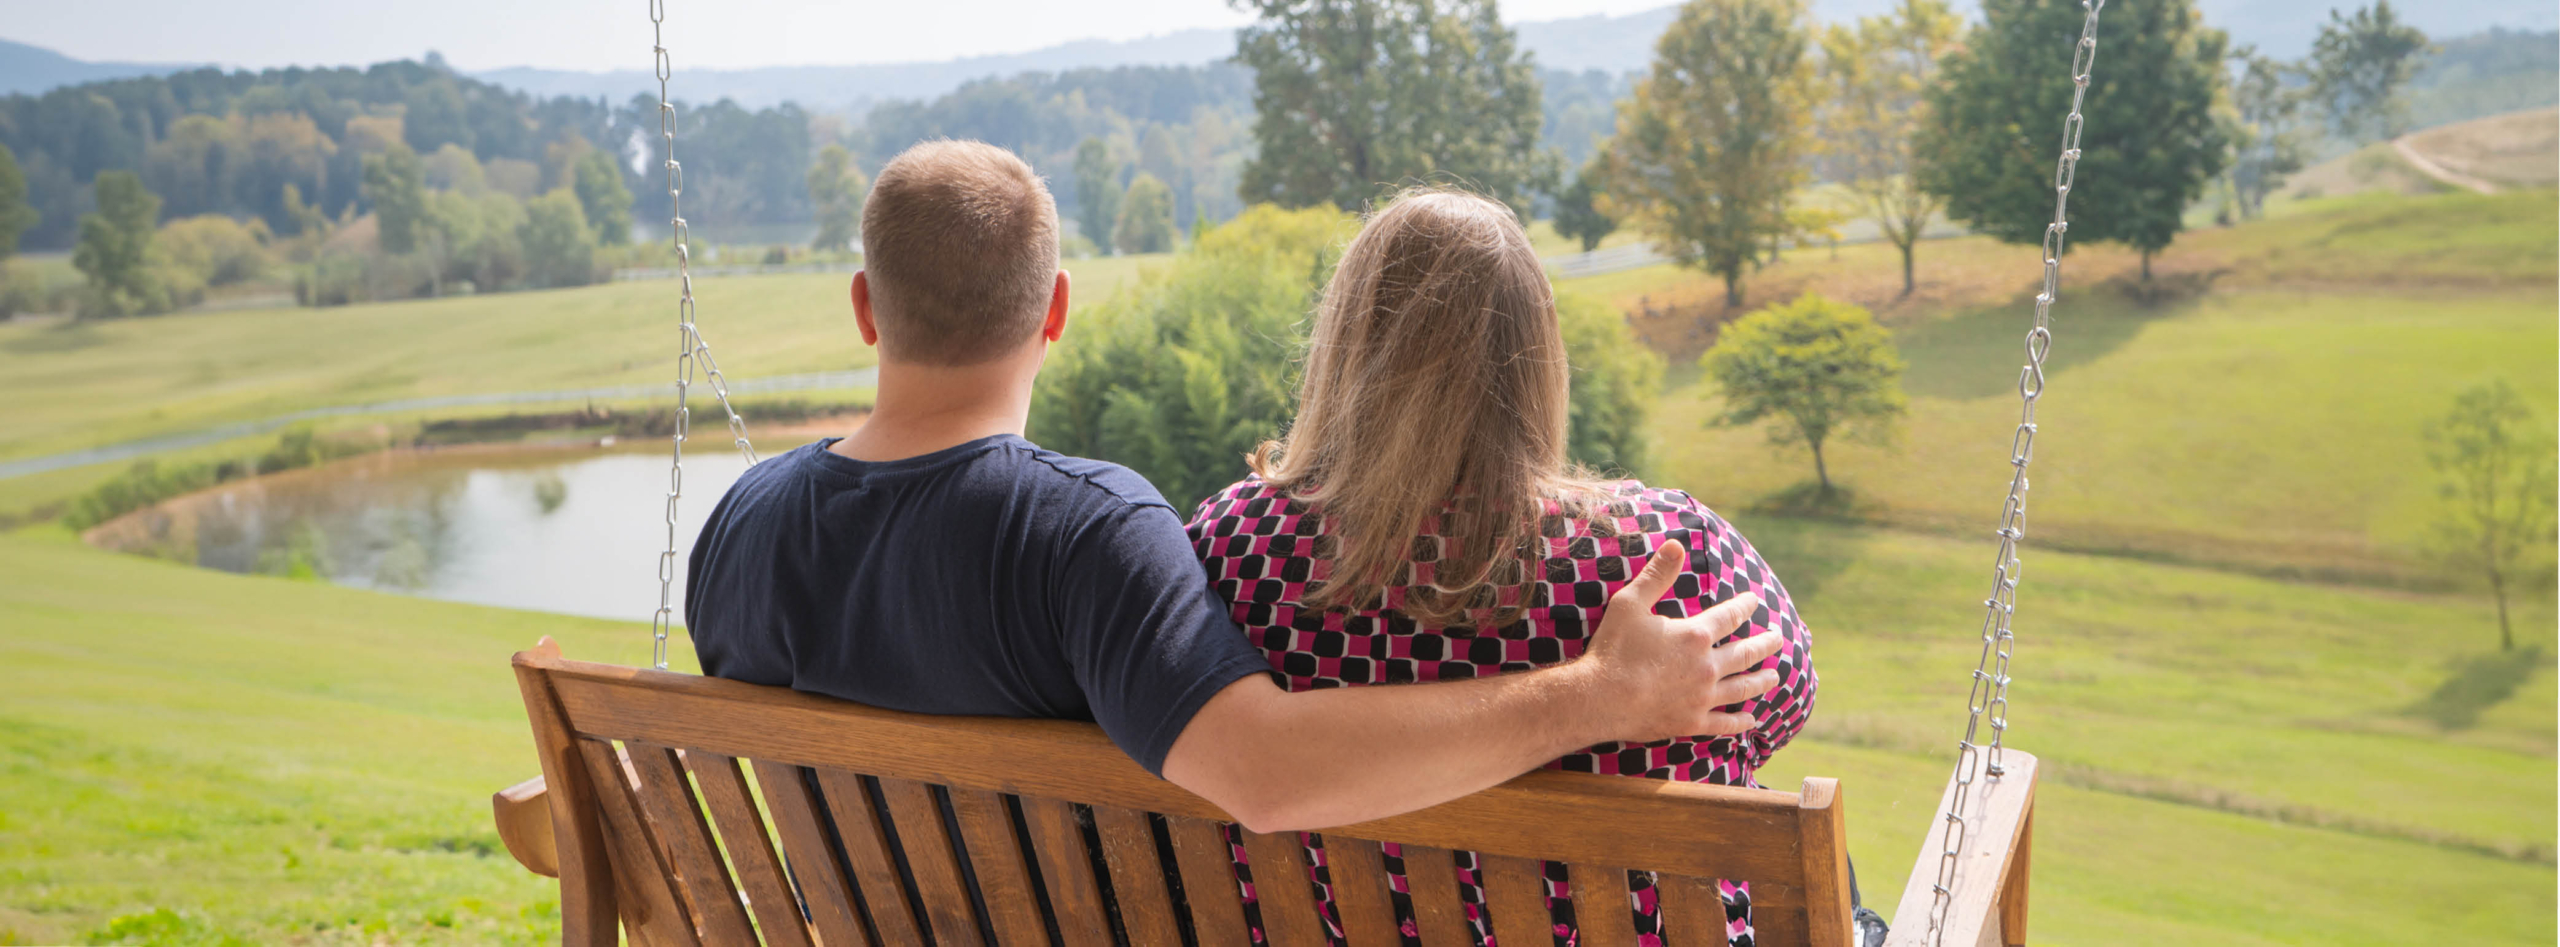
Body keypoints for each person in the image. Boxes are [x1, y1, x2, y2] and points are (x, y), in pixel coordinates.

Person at [684, 140, 1791, 837]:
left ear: (865, 308)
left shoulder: (738, 525)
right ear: (1056, 308)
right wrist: (1598, 693)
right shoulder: (1088, 532)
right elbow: (1263, 773)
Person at [1185, 188, 1819, 946]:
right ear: (1538, 358)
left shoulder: (1230, 548)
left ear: (1343, 346)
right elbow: (1780, 702)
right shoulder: (1667, 552)